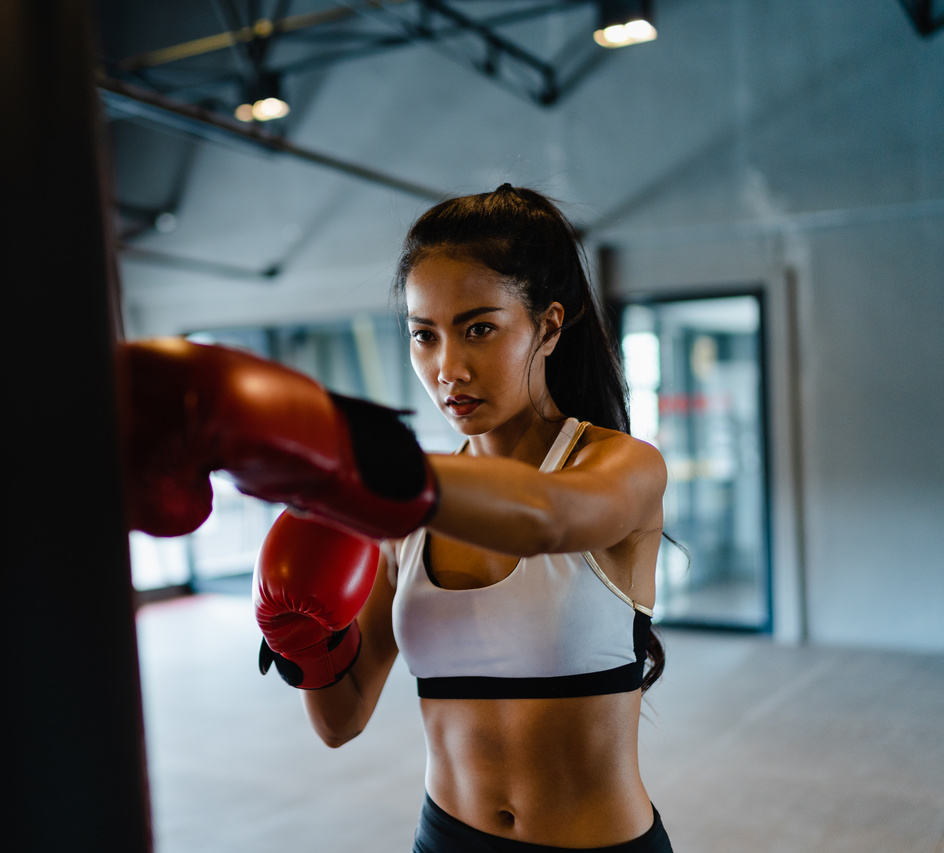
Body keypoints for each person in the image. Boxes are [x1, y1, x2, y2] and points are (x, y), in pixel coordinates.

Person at [119, 184, 673, 852]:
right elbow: (341, 718)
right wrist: (306, 642)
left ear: (549, 326)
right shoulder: (405, 512)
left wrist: (333, 451)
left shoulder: (623, 468)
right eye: (423, 335)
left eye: (479, 328)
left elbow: (544, 515)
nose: (448, 368)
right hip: (443, 837)